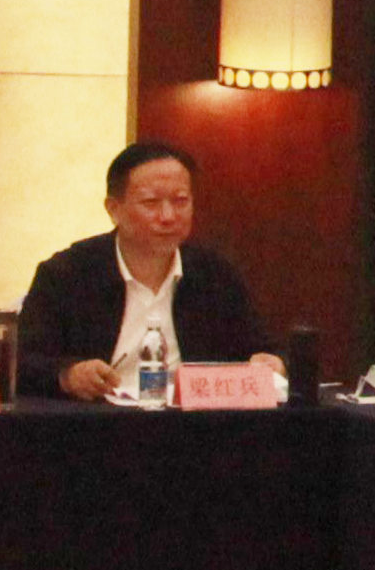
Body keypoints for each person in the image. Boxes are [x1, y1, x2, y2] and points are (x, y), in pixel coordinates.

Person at [13, 139, 260, 400]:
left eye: (180, 201)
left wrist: (271, 361)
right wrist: (68, 375)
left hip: (191, 419)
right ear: (114, 209)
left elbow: (263, 349)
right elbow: (21, 363)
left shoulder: (215, 274)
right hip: (98, 418)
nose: (168, 216)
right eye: (151, 202)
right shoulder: (67, 274)